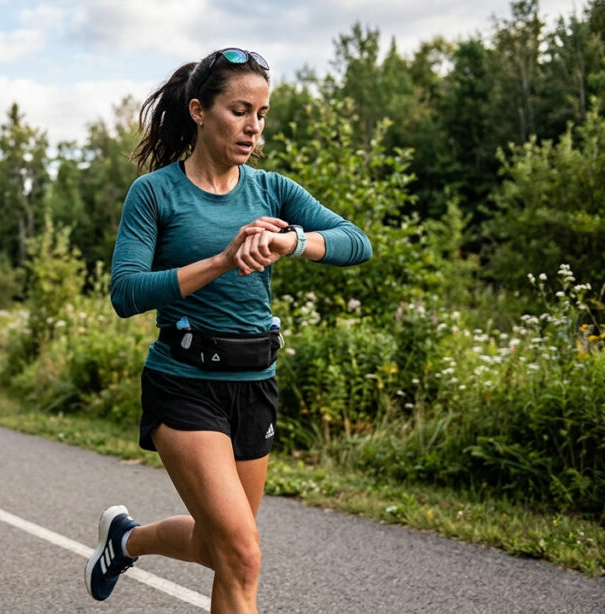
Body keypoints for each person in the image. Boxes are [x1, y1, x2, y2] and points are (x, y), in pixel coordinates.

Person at [85, 48, 371, 613]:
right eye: (240, 110)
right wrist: (221, 259)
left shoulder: (272, 190)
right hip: (184, 384)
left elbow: (355, 242)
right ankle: (126, 540)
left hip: (254, 383)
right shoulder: (156, 193)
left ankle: (127, 540)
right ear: (198, 109)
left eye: (261, 114)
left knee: (222, 552)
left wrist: (292, 241)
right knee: (242, 553)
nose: (253, 127)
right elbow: (126, 292)